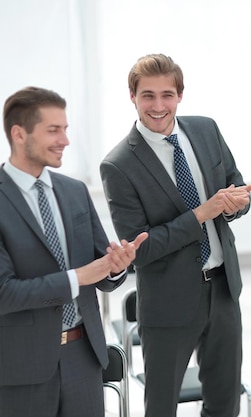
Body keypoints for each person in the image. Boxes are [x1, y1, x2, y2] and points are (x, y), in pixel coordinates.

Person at [99, 54, 251, 417]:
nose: (158, 106)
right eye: (148, 96)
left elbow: (234, 188)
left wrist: (235, 204)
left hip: (223, 290)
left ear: (180, 95)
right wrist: (202, 213)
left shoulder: (206, 129)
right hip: (168, 302)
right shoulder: (118, 164)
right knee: (162, 406)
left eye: (167, 95)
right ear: (132, 97)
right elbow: (142, 248)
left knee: (225, 401)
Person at [0, 86, 146, 417]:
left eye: (65, 129)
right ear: (19, 134)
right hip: (20, 367)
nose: (65, 140)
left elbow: (102, 270)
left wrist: (115, 267)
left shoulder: (74, 191)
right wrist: (78, 277)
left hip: (84, 357)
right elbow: (3, 292)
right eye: (53, 130)